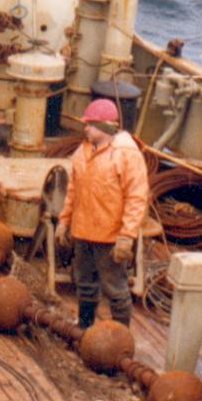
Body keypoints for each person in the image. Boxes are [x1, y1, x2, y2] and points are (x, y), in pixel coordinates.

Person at [56, 98, 150, 329]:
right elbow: (73, 190)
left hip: (109, 237)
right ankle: (84, 327)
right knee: (84, 283)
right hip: (82, 232)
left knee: (115, 289)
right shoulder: (82, 151)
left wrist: (126, 236)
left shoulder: (126, 154)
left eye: (91, 124)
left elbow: (136, 198)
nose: (85, 128)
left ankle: (120, 335)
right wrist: (64, 221)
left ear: (106, 126)